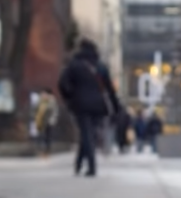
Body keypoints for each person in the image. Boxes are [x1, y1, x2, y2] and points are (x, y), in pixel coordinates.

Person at [58, 40, 120, 177]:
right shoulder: (100, 66)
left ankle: (91, 166)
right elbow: (110, 89)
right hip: (98, 105)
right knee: (89, 133)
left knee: (86, 133)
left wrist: (70, 97)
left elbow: (63, 83)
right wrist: (116, 108)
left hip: (80, 104)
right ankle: (79, 163)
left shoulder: (73, 65)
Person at [33, 88, 59, 157]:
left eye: (44, 93)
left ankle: (47, 151)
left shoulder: (51, 101)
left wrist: (52, 120)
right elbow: (36, 110)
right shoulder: (39, 101)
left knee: (48, 137)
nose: (43, 95)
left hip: (49, 122)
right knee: (40, 137)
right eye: (42, 93)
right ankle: (40, 151)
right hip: (40, 122)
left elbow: (54, 112)